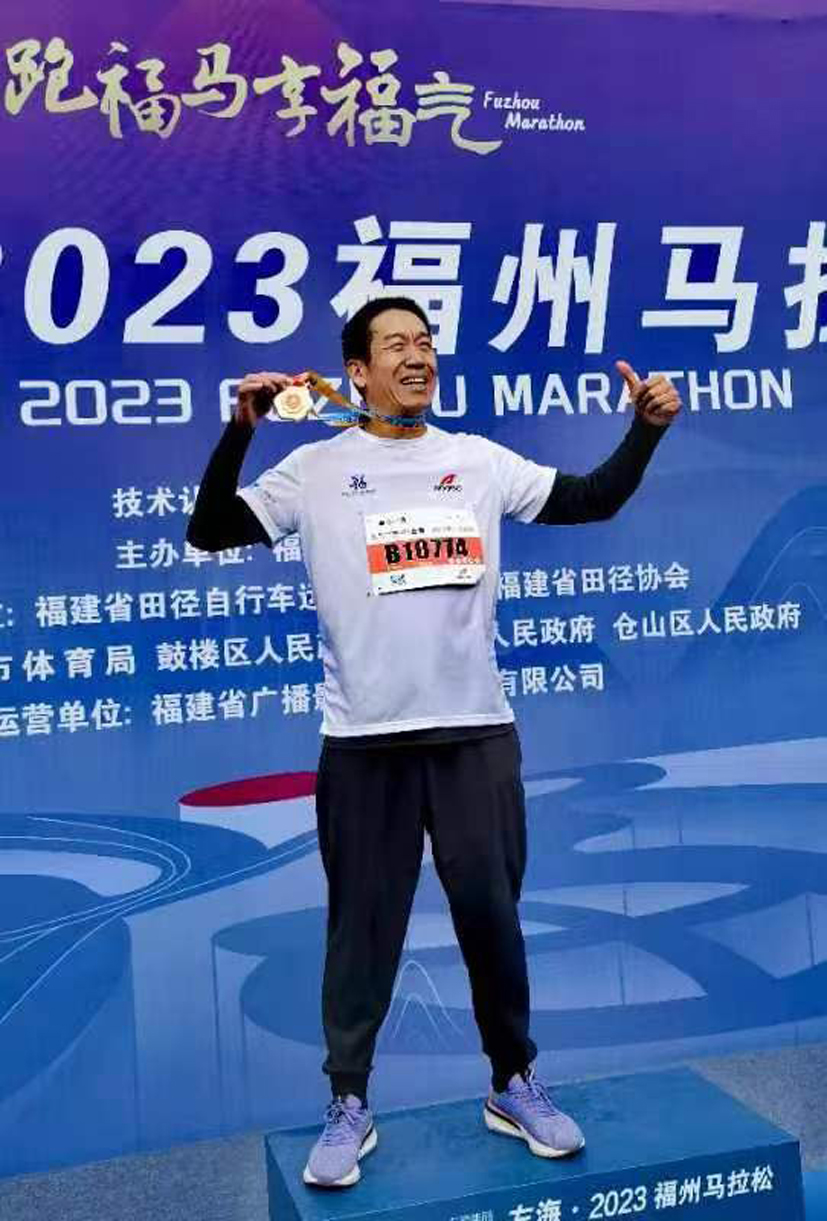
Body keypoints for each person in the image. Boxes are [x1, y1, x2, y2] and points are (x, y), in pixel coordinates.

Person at [187, 296, 682, 1189]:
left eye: (424, 342)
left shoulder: (476, 460)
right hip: (364, 744)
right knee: (361, 929)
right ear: (357, 372)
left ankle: (513, 1081)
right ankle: (348, 1101)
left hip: (474, 737)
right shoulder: (315, 468)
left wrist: (643, 432)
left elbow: (591, 498)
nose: (416, 357)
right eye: (395, 345)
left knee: (491, 917)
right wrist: (239, 432)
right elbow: (210, 528)